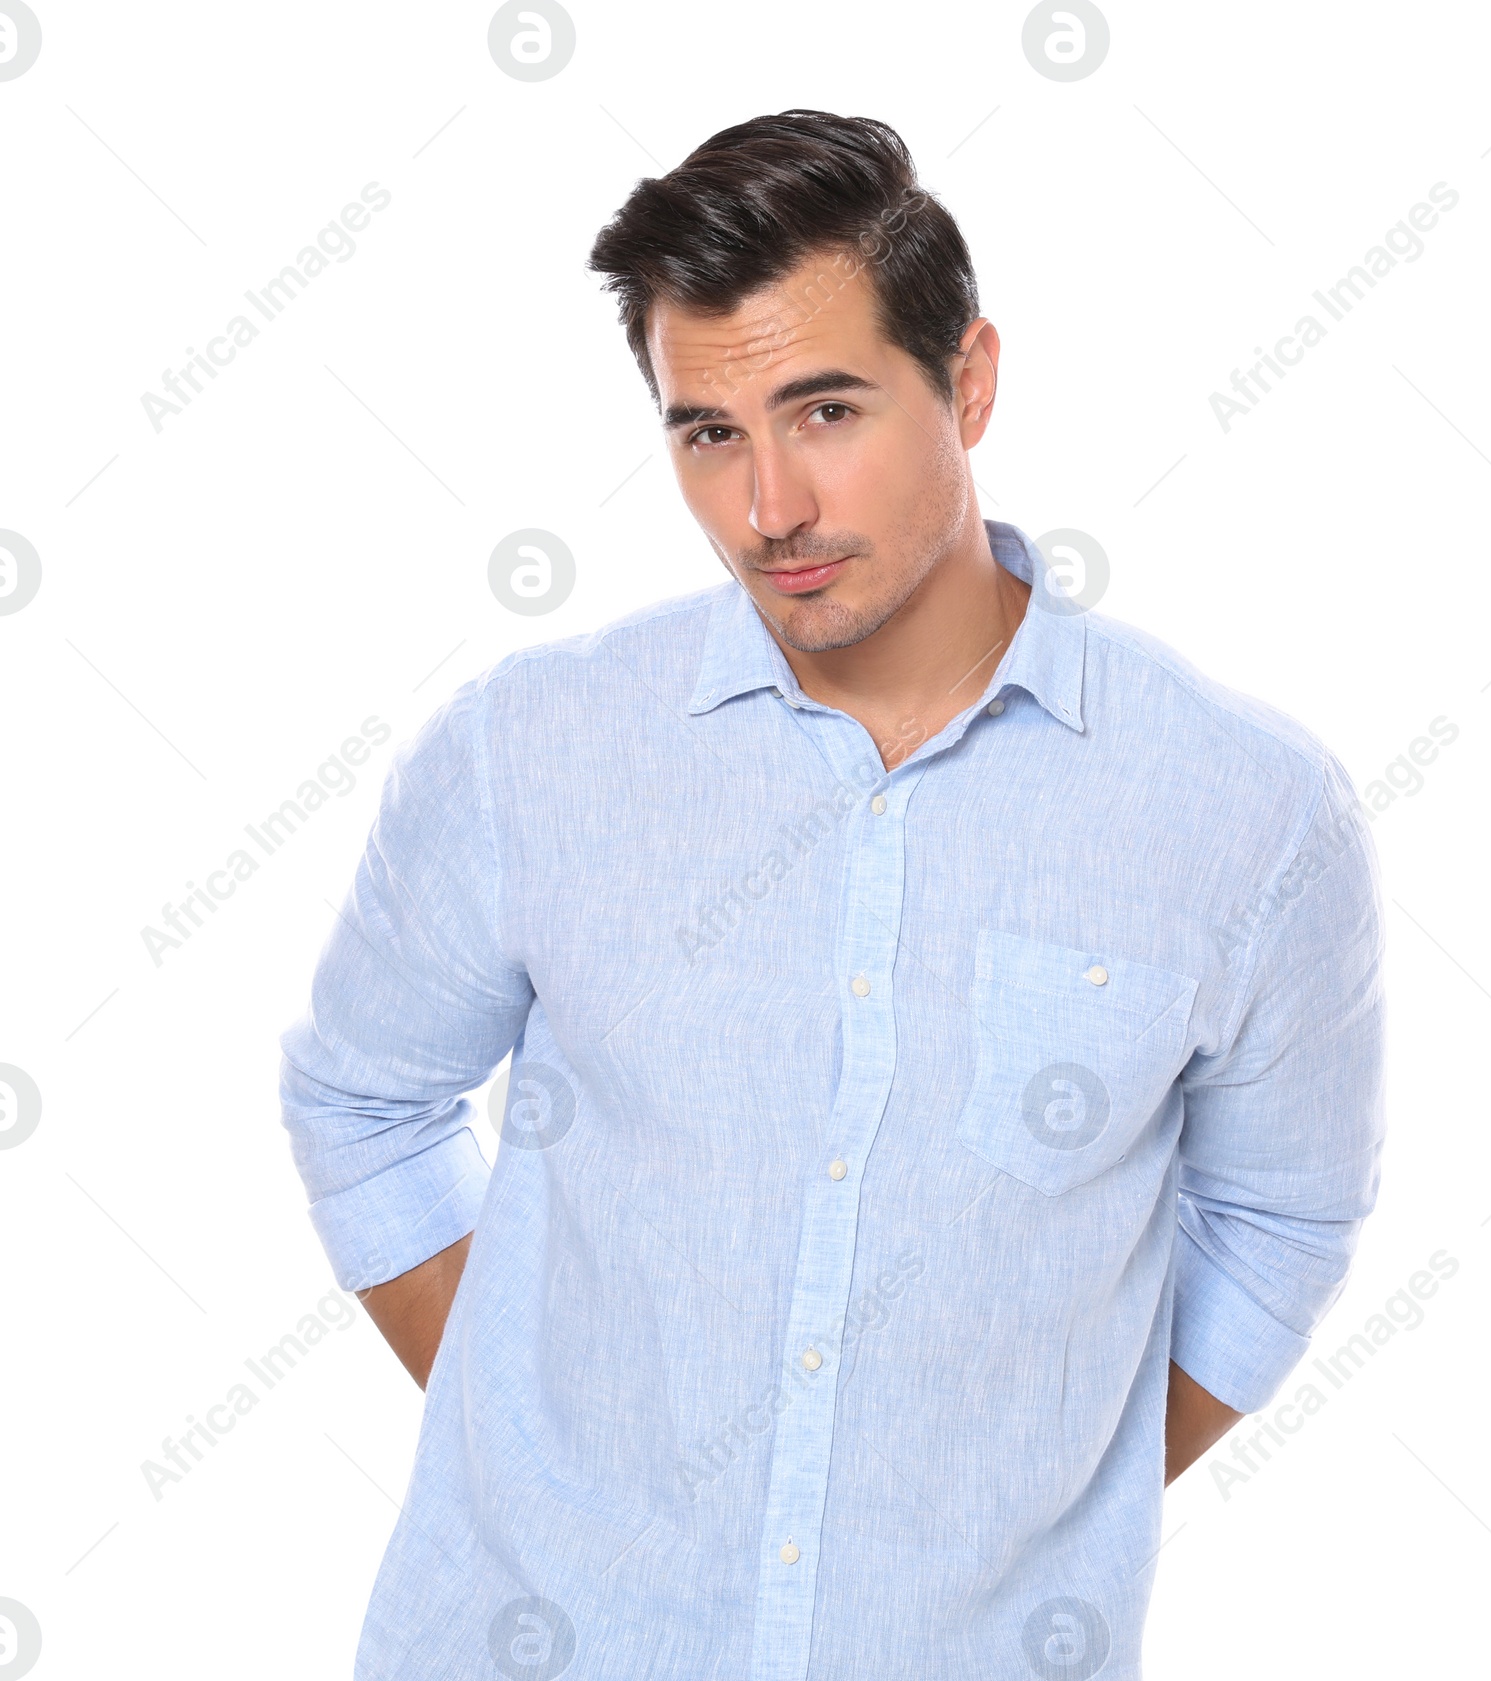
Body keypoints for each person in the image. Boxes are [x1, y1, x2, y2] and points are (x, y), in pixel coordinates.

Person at [280, 108, 1386, 1681]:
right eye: (708, 432)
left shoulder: (1244, 813)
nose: (769, 508)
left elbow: (1280, 1217)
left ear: (973, 381)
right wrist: (532, 1445)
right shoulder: (534, 750)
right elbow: (362, 1101)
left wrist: (1024, 1507)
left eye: (826, 410)